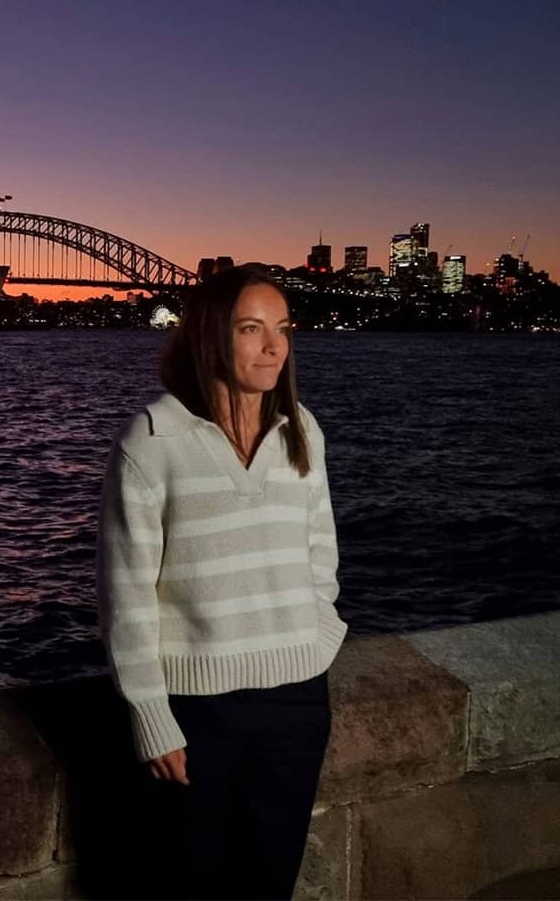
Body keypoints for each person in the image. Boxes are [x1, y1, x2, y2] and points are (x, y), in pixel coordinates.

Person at [96, 264, 347, 900]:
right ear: (211, 336)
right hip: (198, 711)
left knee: (269, 886)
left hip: (295, 701)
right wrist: (152, 714)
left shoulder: (302, 432)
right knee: (190, 885)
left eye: (283, 329)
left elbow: (321, 554)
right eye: (251, 329)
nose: (274, 346)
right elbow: (126, 596)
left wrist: (319, 636)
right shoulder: (152, 441)